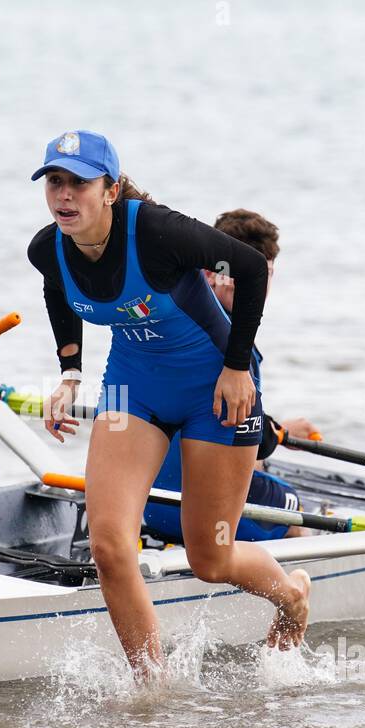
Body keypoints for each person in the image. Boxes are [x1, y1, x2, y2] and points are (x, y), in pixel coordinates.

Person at [28, 130, 310, 673]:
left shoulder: (157, 232)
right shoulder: (48, 248)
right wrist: (69, 374)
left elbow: (249, 268)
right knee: (111, 549)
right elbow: (56, 291)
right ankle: (150, 689)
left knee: (210, 557)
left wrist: (235, 364)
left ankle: (292, 597)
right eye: (55, 182)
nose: (65, 196)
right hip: (135, 388)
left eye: (80, 183)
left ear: (109, 190)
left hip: (217, 387)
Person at [143, 209, 319, 544]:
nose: (256, 284)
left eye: (264, 273)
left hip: (152, 507)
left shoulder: (167, 328)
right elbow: (252, 445)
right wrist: (277, 436)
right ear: (209, 273)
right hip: (205, 518)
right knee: (294, 509)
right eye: (242, 272)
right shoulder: (236, 350)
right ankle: (295, 583)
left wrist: (276, 432)